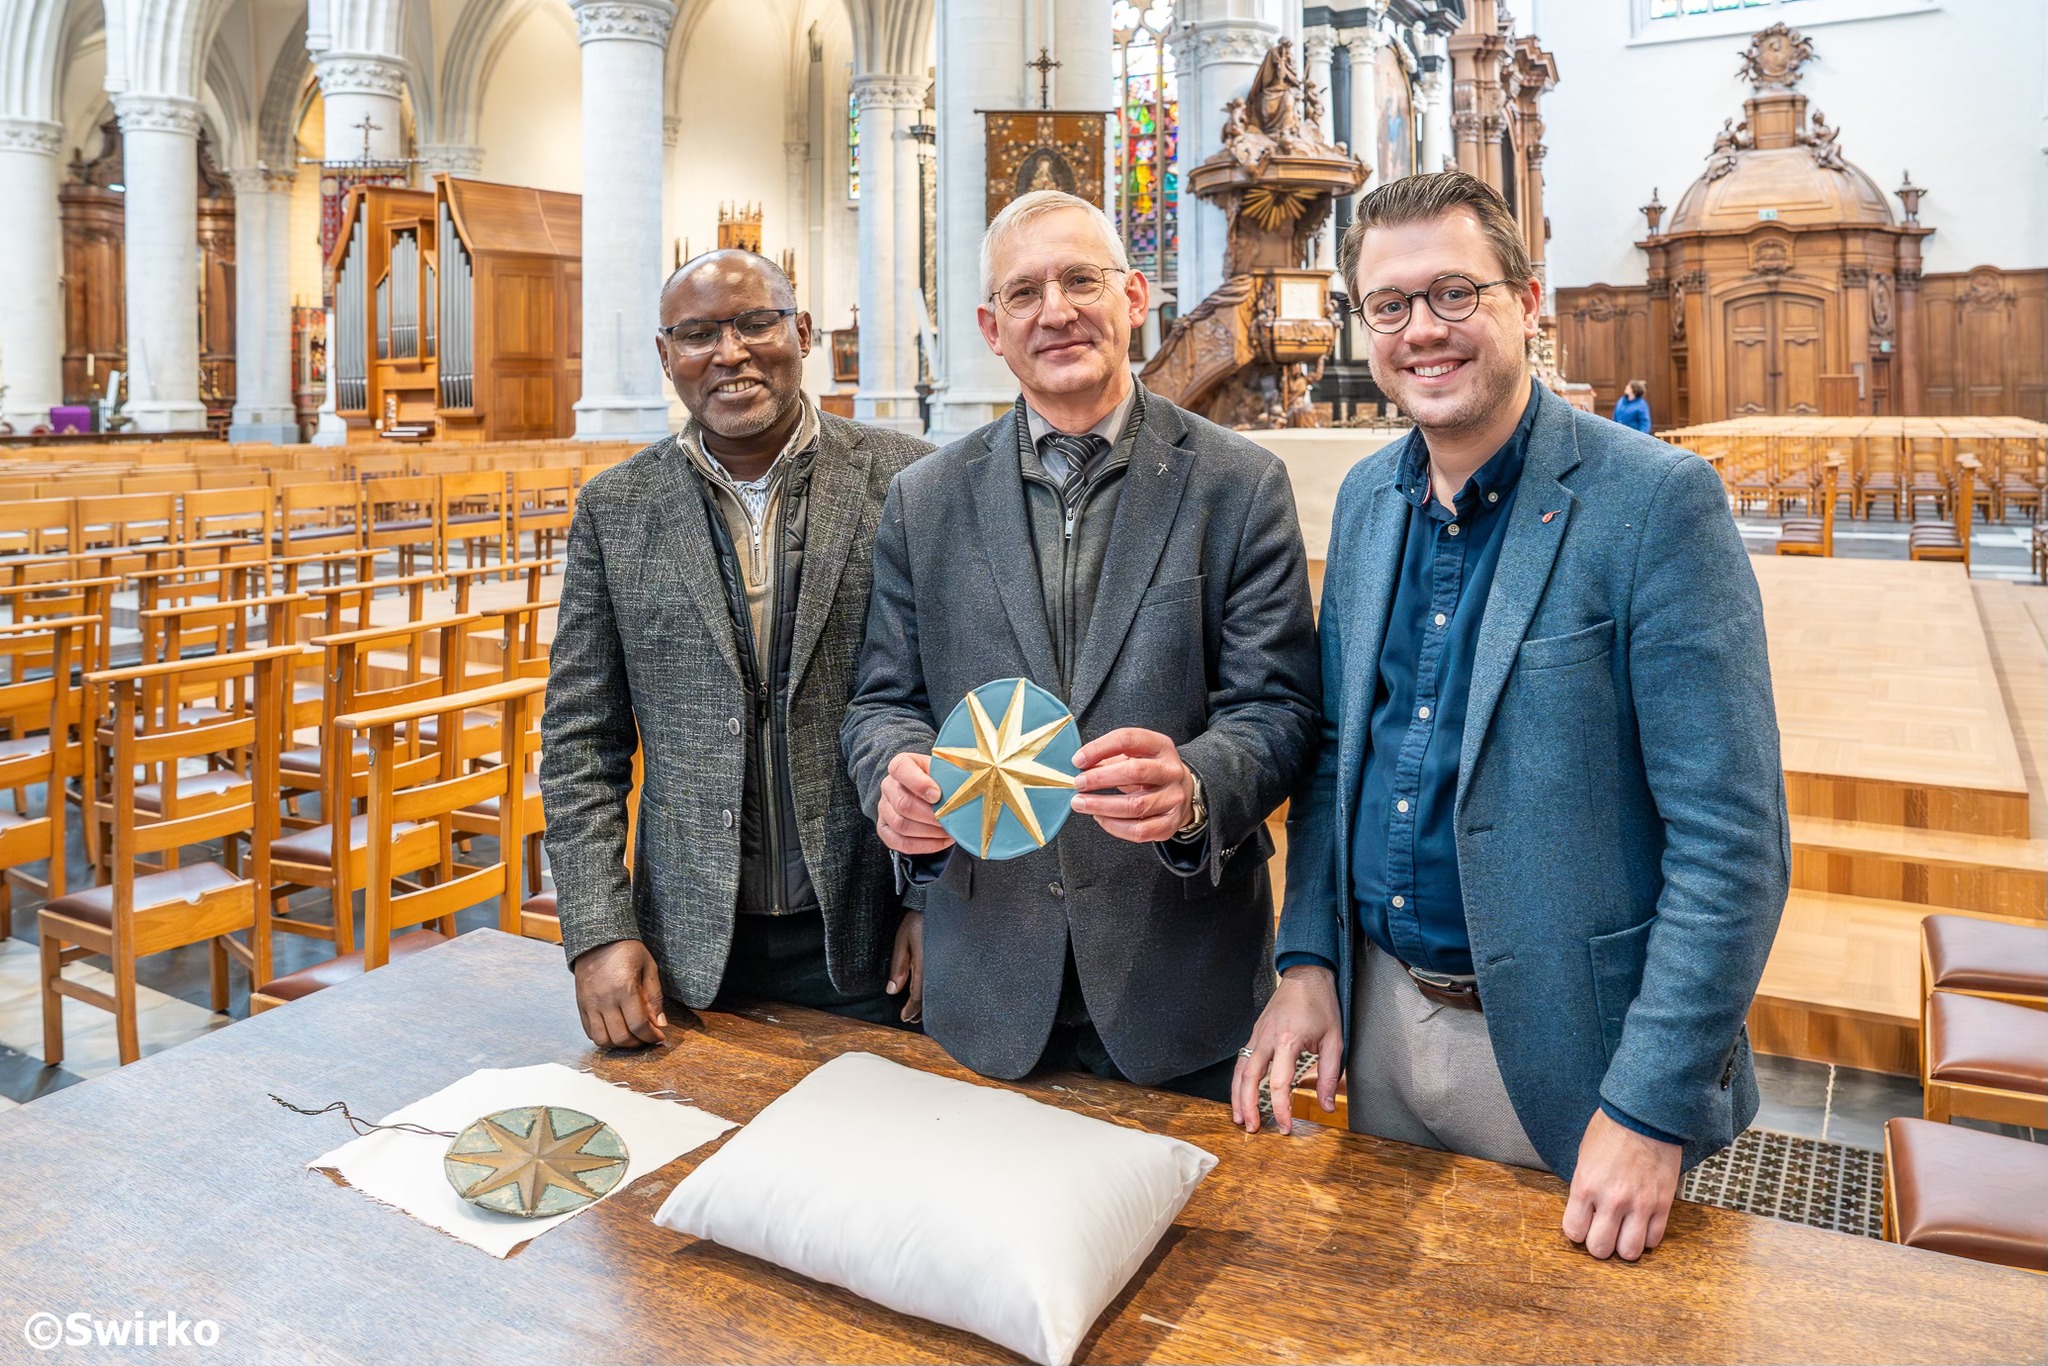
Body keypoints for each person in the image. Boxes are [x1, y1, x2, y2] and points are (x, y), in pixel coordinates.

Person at [1232, 172, 1787, 1263]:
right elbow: (1340, 757)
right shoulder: (1365, 499)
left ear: (1526, 300)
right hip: (1382, 1022)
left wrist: (1647, 1104)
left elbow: (1732, 848)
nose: (1420, 331)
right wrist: (1305, 961)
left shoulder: (1652, 505)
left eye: (1453, 293)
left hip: (1578, 1052)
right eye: (1388, 305)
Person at [841, 190, 1320, 1100]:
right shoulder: (926, 498)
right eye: (1024, 293)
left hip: (1178, 977)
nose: (1055, 310)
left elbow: (1279, 708)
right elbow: (883, 703)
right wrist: (895, 780)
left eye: (1080, 279)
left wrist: (1193, 787)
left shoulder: (1237, 484)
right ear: (991, 326)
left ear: (1136, 297)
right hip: (987, 973)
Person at [541, 250, 934, 1050]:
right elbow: (582, 739)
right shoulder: (617, 509)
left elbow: (959, 704)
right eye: (697, 334)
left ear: (802, 332)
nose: (730, 352)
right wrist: (595, 930)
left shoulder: (910, 481)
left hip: (874, 931)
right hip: (685, 951)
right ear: (665, 356)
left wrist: (940, 903)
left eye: (756, 322)